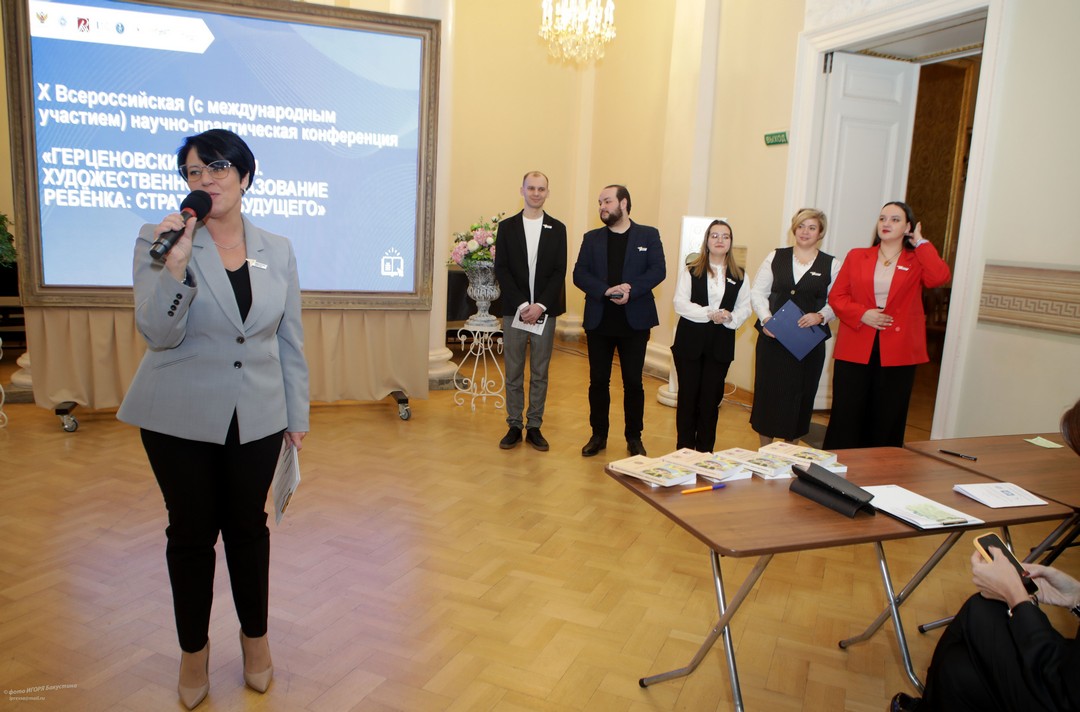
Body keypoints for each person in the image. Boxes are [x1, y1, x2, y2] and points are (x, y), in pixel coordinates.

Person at [117, 129, 309, 710]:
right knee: (191, 534)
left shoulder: (278, 248)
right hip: (177, 415)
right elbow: (156, 332)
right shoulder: (159, 239)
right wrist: (175, 269)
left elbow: (289, 338)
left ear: (245, 176)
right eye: (193, 172)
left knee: (249, 530)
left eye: (217, 167)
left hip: (258, 413)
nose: (204, 180)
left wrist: (296, 415)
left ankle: (256, 641)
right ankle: (193, 652)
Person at [890, 399, 1080, 712]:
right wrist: (1076, 597)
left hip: (1061, 692)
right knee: (959, 670)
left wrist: (1018, 598)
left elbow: (1060, 688)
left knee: (982, 609)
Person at [822, 201, 950, 449]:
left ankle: (881, 466)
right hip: (857, 341)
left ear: (908, 227)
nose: (886, 223)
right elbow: (837, 297)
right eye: (882, 218)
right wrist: (863, 314)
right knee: (847, 412)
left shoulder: (916, 259)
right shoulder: (857, 255)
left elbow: (939, 277)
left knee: (887, 414)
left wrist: (921, 242)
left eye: (895, 219)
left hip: (898, 347)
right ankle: (839, 465)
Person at [572, 184, 666, 457]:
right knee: (598, 381)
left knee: (633, 383)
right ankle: (598, 435)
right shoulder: (592, 238)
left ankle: (634, 437)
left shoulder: (648, 235)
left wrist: (630, 290)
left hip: (634, 322)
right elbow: (579, 273)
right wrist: (605, 291)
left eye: (607, 201)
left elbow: (658, 270)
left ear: (623, 203)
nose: (602, 207)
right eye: (600, 202)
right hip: (599, 321)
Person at [750, 208, 841, 447]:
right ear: (794, 229)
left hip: (807, 346)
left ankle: (790, 455)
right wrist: (766, 319)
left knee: (800, 399)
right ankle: (765, 453)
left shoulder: (832, 264)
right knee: (768, 396)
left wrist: (820, 316)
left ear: (820, 233)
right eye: (801, 226)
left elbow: (837, 301)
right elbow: (758, 292)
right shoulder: (776, 257)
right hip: (773, 341)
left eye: (812, 227)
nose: (805, 232)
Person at [493, 171, 567, 451]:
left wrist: (540, 306)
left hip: (545, 312)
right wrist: (524, 305)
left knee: (540, 372)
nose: (536, 193)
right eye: (531, 188)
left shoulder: (557, 228)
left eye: (541, 189)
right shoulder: (507, 227)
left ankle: (534, 425)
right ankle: (514, 424)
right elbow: (502, 269)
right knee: (513, 371)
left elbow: (559, 271)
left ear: (547, 192)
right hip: (515, 310)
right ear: (522, 190)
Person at [671, 219, 751, 452]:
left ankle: (705, 452)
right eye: (714, 235)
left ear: (730, 242)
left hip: (720, 346)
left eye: (725, 236)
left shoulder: (740, 275)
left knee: (710, 401)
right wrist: (709, 313)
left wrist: (729, 316)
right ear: (706, 240)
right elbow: (680, 303)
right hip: (690, 344)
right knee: (688, 399)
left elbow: (745, 307)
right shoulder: (691, 270)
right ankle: (684, 451)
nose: (719, 240)